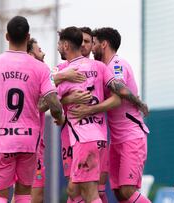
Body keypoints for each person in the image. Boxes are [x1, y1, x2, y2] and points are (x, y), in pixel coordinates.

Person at [0, 16, 64, 203]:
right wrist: (59, 117)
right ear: (28, 36)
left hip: (1, 140)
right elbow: (54, 104)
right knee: (24, 194)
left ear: (7, 36)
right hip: (29, 140)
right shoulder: (40, 68)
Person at [70, 27, 150, 203]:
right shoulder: (102, 68)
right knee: (119, 193)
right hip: (116, 140)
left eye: (94, 43)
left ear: (104, 44)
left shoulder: (116, 65)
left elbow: (119, 94)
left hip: (131, 137)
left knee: (128, 191)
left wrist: (139, 104)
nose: (91, 47)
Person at [56, 26, 122, 203]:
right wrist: (69, 99)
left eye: (88, 41)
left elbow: (45, 104)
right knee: (76, 189)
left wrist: (66, 108)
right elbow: (118, 96)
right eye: (83, 41)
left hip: (83, 138)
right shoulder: (98, 67)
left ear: (67, 45)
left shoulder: (64, 74)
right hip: (95, 137)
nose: (86, 45)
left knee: (90, 193)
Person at [27, 38, 46, 203]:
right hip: (30, 142)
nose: (44, 53)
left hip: (31, 140)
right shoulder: (37, 71)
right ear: (30, 54)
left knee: (23, 194)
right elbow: (38, 106)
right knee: (35, 194)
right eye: (39, 50)